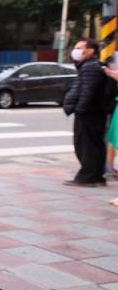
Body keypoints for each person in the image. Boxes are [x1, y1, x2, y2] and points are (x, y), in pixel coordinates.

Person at [62, 38, 107, 187]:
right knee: (95, 144)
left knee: (85, 145)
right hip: (96, 112)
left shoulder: (89, 67)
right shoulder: (94, 65)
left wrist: (80, 109)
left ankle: (87, 177)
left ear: (90, 51)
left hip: (88, 112)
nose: (76, 51)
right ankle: (97, 176)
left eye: (79, 48)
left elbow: (87, 91)